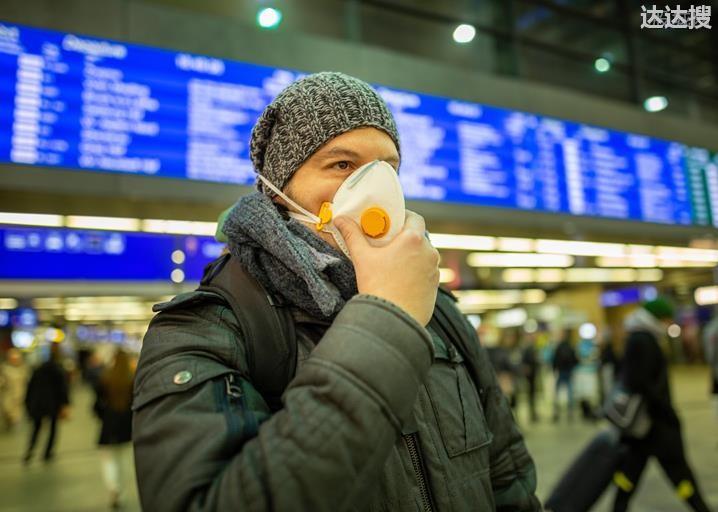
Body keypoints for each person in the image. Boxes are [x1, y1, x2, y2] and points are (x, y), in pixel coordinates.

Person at [132, 72, 541, 511]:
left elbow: (509, 485)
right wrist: (387, 318)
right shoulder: (206, 330)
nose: (375, 189)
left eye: (388, 168)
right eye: (342, 164)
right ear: (279, 189)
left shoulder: (439, 313)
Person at [612, 298, 712, 512]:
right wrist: (667, 412)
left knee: (631, 473)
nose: (669, 324)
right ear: (658, 318)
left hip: (643, 427)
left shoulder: (639, 337)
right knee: (678, 472)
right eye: (668, 319)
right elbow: (643, 383)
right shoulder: (643, 340)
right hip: (655, 423)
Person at [95, 349, 135, 509]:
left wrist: (102, 416)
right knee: (124, 460)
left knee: (108, 459)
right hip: (127, 425)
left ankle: (113, 488)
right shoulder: (132, 379)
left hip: (109, 424)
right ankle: (121, 489)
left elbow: (97, 403)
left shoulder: (105, 378)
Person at [23, 343, 70, 464]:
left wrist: (28, 403)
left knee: (36, 428)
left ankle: (30, 451)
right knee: (53, 429)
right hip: (53, 404)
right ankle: (47, 453)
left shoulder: (38, 370)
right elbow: (62, 389)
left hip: (38, 403)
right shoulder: (58, 370)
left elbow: (30, 387)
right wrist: (65, 404)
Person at [552, 329, 578, 422]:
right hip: (568, 371)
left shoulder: (558, 347)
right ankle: (570, 411)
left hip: (561, 371)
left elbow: (554, 359)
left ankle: (556, 411)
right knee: (570, 393)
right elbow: (575, 359)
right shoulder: (571, 346)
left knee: (557, 392)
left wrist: (554, 369)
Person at [0, 348, 28, 430]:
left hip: (19, 395)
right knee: (7, 410)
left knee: (16, 413)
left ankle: (12, 422)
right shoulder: (4, 368)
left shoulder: (23, 369)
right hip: (7, 394)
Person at [521, 332, 541, 423]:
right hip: (530, 375)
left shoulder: (532, 348)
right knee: (531, 394)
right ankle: (532, 413)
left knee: (532, 394)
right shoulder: (528, 349)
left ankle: (533, 412)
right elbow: (526, 362)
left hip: (533, 374)